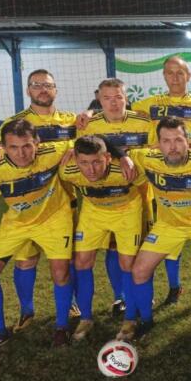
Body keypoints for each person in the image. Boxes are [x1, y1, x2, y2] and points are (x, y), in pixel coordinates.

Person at [0, 69, 79, 326]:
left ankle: (70, 305)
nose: (42, 89)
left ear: (55, 89)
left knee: (67, 260)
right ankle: (27, 311)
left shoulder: (71, 120)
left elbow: (87, 142)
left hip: (66, 201)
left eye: (47, 85)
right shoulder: (15, 122)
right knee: (26, 259)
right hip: (28, 204)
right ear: (28, 90)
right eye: (36, 85)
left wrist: (89, 117)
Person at [126, 117, 191, 341]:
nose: (172, 146)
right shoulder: (146, 158)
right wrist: (124, 157)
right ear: (158, 143)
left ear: (187, 141)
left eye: (178, 140)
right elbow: (122, 152)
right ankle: (146, 320)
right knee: (139, 271)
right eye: (166, 141)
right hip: (169, 225)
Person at [0, 120, 77, 351]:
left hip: (54, 220)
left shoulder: (53, 151)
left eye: (27, 146)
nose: (21, 153)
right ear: (3, 147)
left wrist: (76, 149)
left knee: (61, 272)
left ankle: (62, 328)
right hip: (17, 223)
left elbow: (90, 142)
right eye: (14, 147)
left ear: (37, 143)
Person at [131, 56, 191, 308]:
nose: (175, 77)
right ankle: (174, 287)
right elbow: (119, 113)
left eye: (180, 72)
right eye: (170, 73)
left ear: (189, 76)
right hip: (167, 181)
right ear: (164, 76)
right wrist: (88, 114)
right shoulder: (148, 105)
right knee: (171, 240)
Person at [77, 78, 156, 316]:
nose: (113, 103)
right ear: (99, 100)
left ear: (126, 98)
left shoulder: (143, 122)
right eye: (107, 98)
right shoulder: (89, 125)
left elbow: (154, 151)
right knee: (112, 246)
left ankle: (143, 296)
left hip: (139, 193)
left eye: (118, 97)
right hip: (102, 197)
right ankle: (119, 296)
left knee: (138, 251)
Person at [59, 135, 148, 341]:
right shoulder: (67, 170)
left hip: (127, 212)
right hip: (93, 213)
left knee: (127, 264)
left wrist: (145, 217)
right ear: (76, 160)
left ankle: (130, 319)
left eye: (97, 162)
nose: (91, 169)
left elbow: (144, 189)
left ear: (108, 157)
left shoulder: (127, 169)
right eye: (84, 163)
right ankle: (86, 318)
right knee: (81, 262)